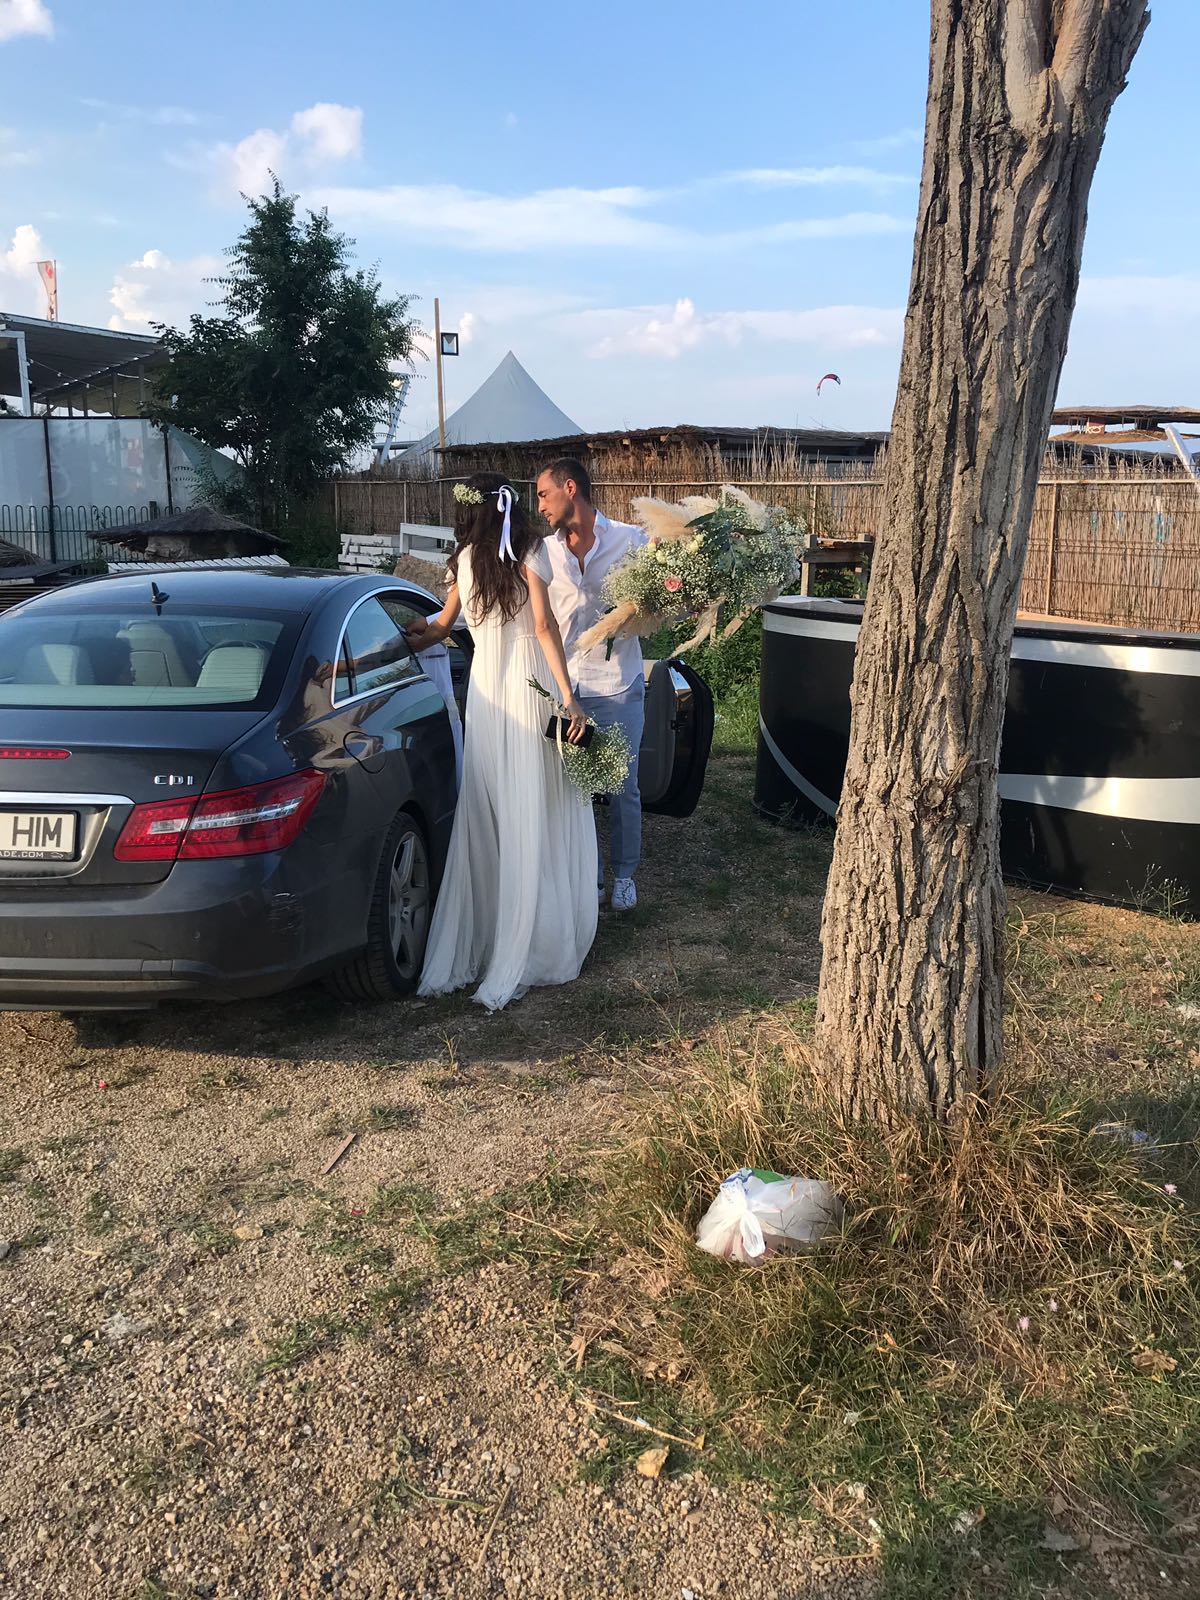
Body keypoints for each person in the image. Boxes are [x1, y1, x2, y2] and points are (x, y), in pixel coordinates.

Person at [407, 472, 597, 1011]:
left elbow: (441, 626)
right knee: (535, 808)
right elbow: (543, 626)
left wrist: (403, 636)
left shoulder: (465, 560)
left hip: (488, 699)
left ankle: (492, 934)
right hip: (529, 690)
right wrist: (569, 697)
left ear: (472, 510)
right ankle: (534, 937)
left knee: (492, 812)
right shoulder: (530, 550)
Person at [536, 458, 648, 910]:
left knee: (623, 785)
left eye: (543, 494)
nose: (539, 505)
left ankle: (623, 875)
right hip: (564, 687)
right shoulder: (543, 552)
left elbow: (665, 598)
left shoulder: (630, 540)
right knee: (572, 789)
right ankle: (588, 877)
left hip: (617, 681)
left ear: (570, 488)